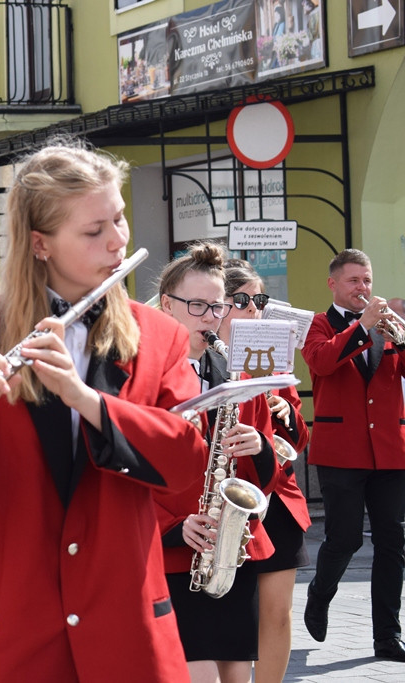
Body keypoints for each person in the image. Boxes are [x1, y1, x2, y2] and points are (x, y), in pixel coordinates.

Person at [0, 142, 208, 681]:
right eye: (93, 230)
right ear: (40, 243)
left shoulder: (159, 335)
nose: (119, 240)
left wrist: (90, 403)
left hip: (123, 633)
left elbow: (186, 466)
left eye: (118, 218)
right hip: (5, 637)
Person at [155, 242, 278, 683]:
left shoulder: (233, 369)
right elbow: (118, 468)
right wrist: (173, 525)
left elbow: (269, 471)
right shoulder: (140, 373)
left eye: (218, 306)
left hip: (231, 550)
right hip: (174, 554)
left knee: (235, 676)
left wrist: (258, 446)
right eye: (198, 306)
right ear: (168, 305)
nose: (212, 317)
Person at [301, 248, 405, 661]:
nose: (362, 288)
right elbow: (323, 363)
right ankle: (319, 593)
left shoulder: (387, 327)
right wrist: (361, 326)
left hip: (390, 453)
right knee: (342, 539)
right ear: (333, 284)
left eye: (367, 280)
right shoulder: (318, 324)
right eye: (353, 281)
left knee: (393, 543)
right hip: (340, 450)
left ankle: (387, 636)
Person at [218, 261, 310, 683]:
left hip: (278, 500)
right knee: (229, 615)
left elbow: (300, 438)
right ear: (218, 305)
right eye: (241, 301)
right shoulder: (200, 356)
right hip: (224, 498)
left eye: (258, 301)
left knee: (276, 613)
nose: (252, 310)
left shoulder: (271, 356)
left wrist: (286, 410)